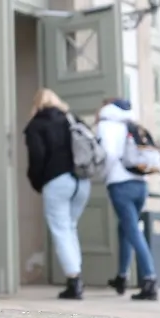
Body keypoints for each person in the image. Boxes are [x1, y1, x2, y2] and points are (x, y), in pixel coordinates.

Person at [23, 88, 92, 300]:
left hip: (57, 180)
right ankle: (76, 276)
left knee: (61, 229)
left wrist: (37, 183)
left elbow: (37, 158)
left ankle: (74, 280)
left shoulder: (35, 125)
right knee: (70, 227)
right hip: (82, 180)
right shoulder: (72, 119)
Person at [96, 98, 158, 301]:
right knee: (124, 228)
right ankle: (122, 277)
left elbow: (108, 154)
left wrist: (103, 176)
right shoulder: (132, 125)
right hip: (140, 184)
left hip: (120, 184)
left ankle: (150, 280)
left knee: (132, 230)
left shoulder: (106, 126)